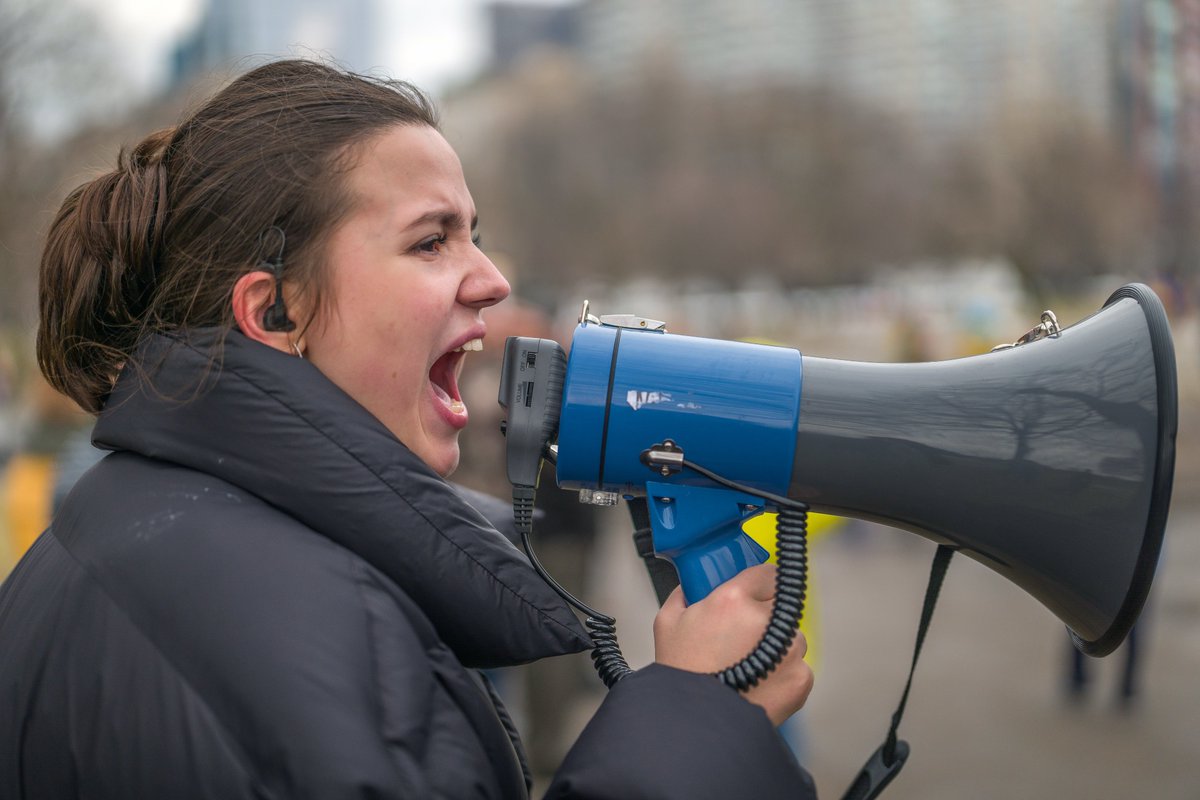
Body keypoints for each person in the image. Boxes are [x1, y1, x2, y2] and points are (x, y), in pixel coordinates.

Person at [0, 60, 815, 799]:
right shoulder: (330, 635)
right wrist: (702, 727)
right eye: (432, 241)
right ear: (274, 311)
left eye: (475, 236)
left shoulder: (119, 518)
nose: (493, 281)